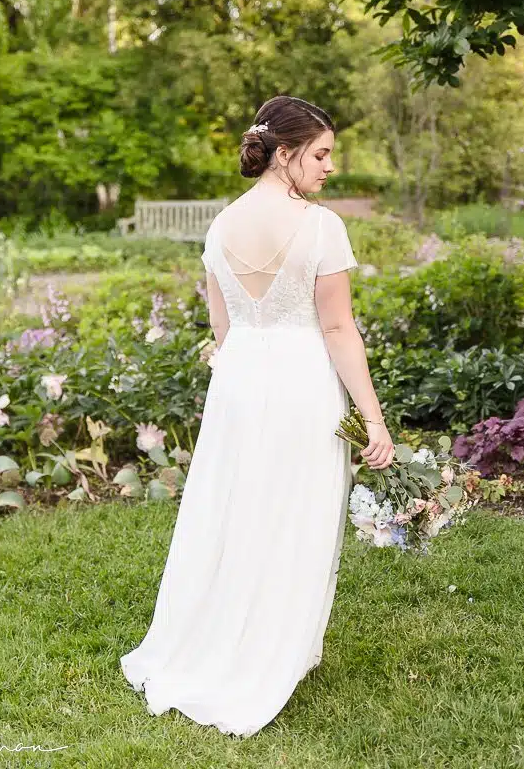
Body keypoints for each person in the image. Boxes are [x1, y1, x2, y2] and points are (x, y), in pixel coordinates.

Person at [120, 94, 395, 737]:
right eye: (321, 154)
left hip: (239, 385)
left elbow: (221, 330)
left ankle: (216, 636)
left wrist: (239, 351)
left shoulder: (220, 228)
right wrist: (373, 419)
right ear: (286, 153)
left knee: (232, 509)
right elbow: (337, 327)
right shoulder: (321, 226)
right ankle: (272, 650)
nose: (330, 167)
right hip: (300, 383)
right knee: (293, 513)